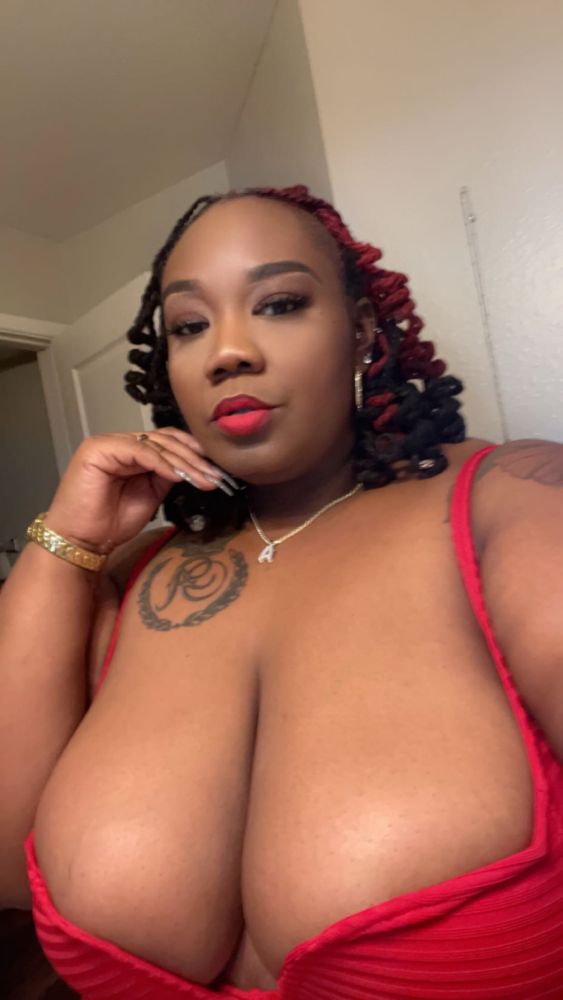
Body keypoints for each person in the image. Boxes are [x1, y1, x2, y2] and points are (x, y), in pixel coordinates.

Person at [1, 184, 563, 1000]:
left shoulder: (512, 502)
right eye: (189, 325)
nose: (226, 352)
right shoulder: (132, 576)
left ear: (361, 331)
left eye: (279, 304)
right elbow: (7, 872)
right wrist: (66, 544)